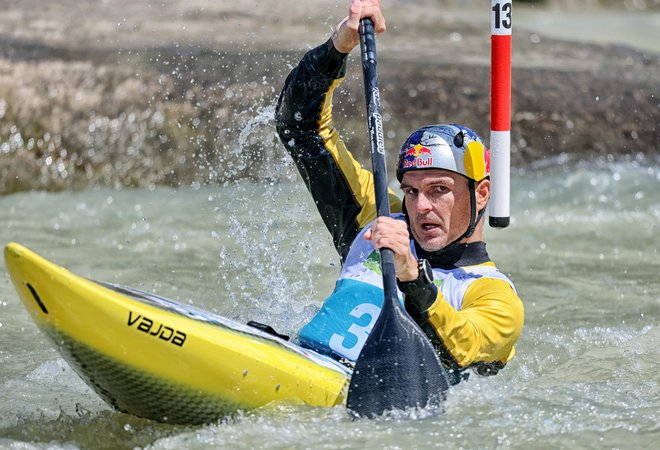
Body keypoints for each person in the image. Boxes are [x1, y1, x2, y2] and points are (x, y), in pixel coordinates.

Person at [275, 0, 523, 384]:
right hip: (297, 365)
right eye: (410, 191)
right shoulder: (376, 219)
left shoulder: (495, 297)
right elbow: (300, 128)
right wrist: (338, 47)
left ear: (482, 194)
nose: (420, 206)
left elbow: (463, 349)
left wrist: (414, 278)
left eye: (439, 190)